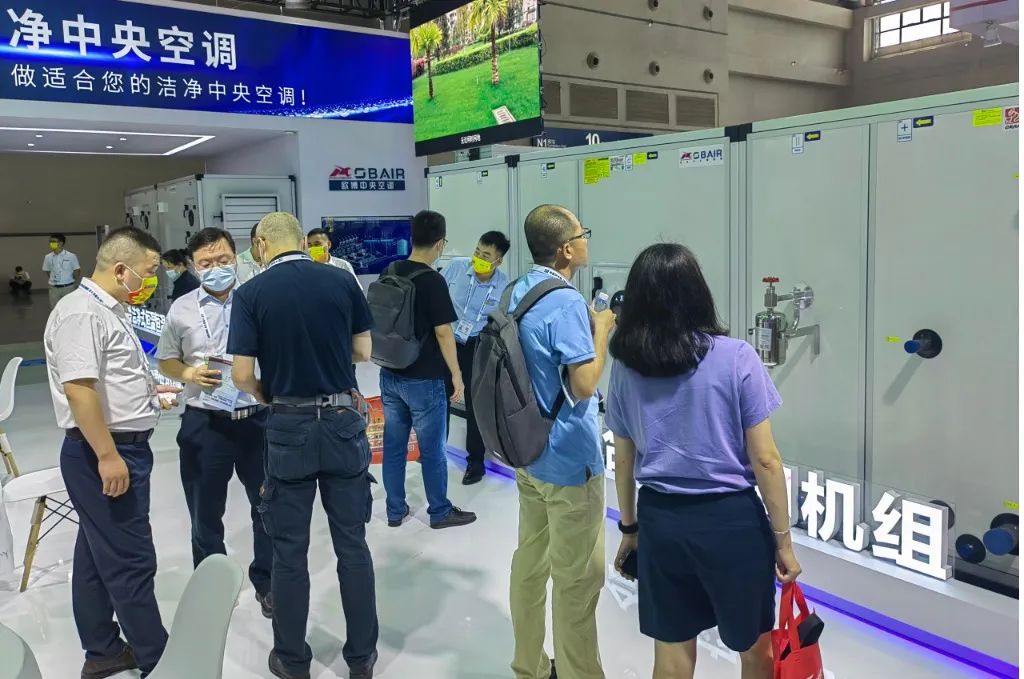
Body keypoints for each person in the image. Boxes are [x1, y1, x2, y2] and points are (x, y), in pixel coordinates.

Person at [605, 244, 802, 679]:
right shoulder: (736, 357)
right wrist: (783, 541)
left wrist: (630, 529)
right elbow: (766, 460)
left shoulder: (625, 367)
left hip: (661, 520)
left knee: (672, 655)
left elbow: (623, 459)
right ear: (697, 293)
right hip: (731, 523)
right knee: (755, 650)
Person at [227, 212, 379, 679]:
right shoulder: (341, 281)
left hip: (287, 426)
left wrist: (265, 393)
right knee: (352, 546)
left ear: (261, 244)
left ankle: (292, 660)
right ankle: (361, 658)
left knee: (289, 552)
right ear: (300, 240)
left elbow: (241, 374)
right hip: (342, 423)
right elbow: (364, 351)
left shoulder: (251, 293)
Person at [43, 226, 181, 679]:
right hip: (102, 451)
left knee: (95, 554)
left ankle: (103, 650)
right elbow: (79, 390)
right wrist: (106, 456)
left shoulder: (109, 309)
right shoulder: (81, 313)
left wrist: (147, 396)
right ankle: (158, 659)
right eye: (149, 270)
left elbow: (108, 379)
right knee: (130, 560)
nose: (153, 279)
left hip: (115, 444)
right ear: (121, 269)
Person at [508, 205, 614, 679]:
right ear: (567, 249)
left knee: (530, 564)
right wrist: (602, 330)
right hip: (570, 462)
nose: (587, 239)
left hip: (527, 453)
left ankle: (529, 666)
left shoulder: (519, 290)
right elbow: (584, 383)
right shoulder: (567, 302)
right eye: (582, 233)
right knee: (577, 582)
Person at [156, 228, 273, 619]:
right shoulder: (182, 308)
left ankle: (269, 582)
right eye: (206, 263)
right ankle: (212, 586)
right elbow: (166, 360)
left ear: (235, 257)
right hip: (205, 423)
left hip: (257, 420)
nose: (216, 267)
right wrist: (189, 373)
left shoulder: (257, 297)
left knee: (267, 505)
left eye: (223, 259)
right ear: (193, 266)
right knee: (204, 513)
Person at [379, 210, 476, 530]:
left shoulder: (391, 270)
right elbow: (444, 332)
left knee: (394, 446)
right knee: (433, 449)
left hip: (390, 372)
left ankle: (395, 510)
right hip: (424, 379)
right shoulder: (432, 280)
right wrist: (457, 375)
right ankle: (439, 511)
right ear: (440, 243)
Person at [442, 231, 511, 484]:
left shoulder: (504, 286)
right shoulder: (456, 268)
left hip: (478, 346)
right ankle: (435, 453)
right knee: (440, 399)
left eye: (486, 256)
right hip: (448, 341)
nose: (478, 259)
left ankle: (475, 461)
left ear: (498, 261)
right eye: (477, 252)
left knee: (476, 405)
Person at [43, 232, 81, 308]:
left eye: (53, 241)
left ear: (61, 243)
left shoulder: (71, 256)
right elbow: (47, 271)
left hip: (68, 288)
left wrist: (70, 280)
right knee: (55, 309)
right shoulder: (48, 257)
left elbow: (77, 270)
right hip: (53, 288)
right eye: (50, 242)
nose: (51, 243)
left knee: (69, 308)